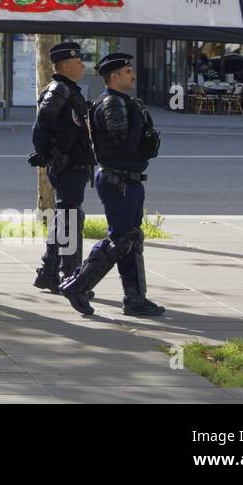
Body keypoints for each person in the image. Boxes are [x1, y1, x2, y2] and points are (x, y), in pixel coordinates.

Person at [59, 52, 165, 318]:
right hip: (118, 181)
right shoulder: (113, 104)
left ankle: (135, 299)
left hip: (128, 180)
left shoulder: (122, 102)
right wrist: (140, 117)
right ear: (114, 76)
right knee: (120, 239)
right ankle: (77, 284)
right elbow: (125, 145)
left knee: (130, 238)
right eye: (128, 72)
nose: (133, 75)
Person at [29, 41, 96, 294]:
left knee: (65, 217)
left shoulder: (69, 90)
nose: (82, 66)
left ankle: (48, 272)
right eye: (79, 62)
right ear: (66, 65)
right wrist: (51, 156)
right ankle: (72, 277)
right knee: (70, 219)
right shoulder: (58, 92)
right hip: (67, 165)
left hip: (75, 164)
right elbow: (41, 129)